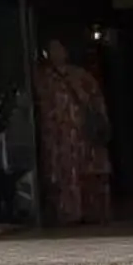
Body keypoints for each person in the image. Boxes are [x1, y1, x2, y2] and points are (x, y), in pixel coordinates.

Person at [33, 36, 111, 225]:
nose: (56, 53)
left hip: (83, 136)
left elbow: (96, 102)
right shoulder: (42, 78)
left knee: (87, 174)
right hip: (57, 139)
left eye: (59, 48)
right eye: (52, 49)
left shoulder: (81, 76)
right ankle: (67, 213)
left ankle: (91, 212)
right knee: (61, 176)